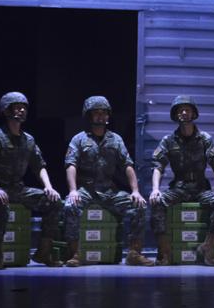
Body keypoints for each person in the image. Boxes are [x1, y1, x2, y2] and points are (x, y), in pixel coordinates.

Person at [62, 96, 153, 266]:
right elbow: (71, 165)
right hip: (87, 189)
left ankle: (134, 253)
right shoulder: (79, 139)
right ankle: (75, 253)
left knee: (139, 206)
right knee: (70, 206)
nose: (100, 116)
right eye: (96, 113)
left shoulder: (115, 139)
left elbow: (127, 165)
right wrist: (73, 190)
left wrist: (135, 191)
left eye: (103, 113)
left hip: (109, 190)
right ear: (89, 116)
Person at [0, 92, 63, 268]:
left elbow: (39, 166)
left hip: (17, 189)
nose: (21, 110)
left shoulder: (28, 140)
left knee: (54, 201)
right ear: (6, 110)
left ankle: (43, 252)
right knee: (0, 205)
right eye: (17, 107)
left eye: (23, 108)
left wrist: (48, 187)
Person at [149, 95, 214, 266]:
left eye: (187, 110)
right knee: (156, 203)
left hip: (200, 188)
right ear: (176, 115)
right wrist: (155, 189)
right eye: (180, 110)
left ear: (193, 113)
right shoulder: (168, 141)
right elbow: (158, 166)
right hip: (179, 188)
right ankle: (164, 251)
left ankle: (208, 247)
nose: (184, 113)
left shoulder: (205, 139)